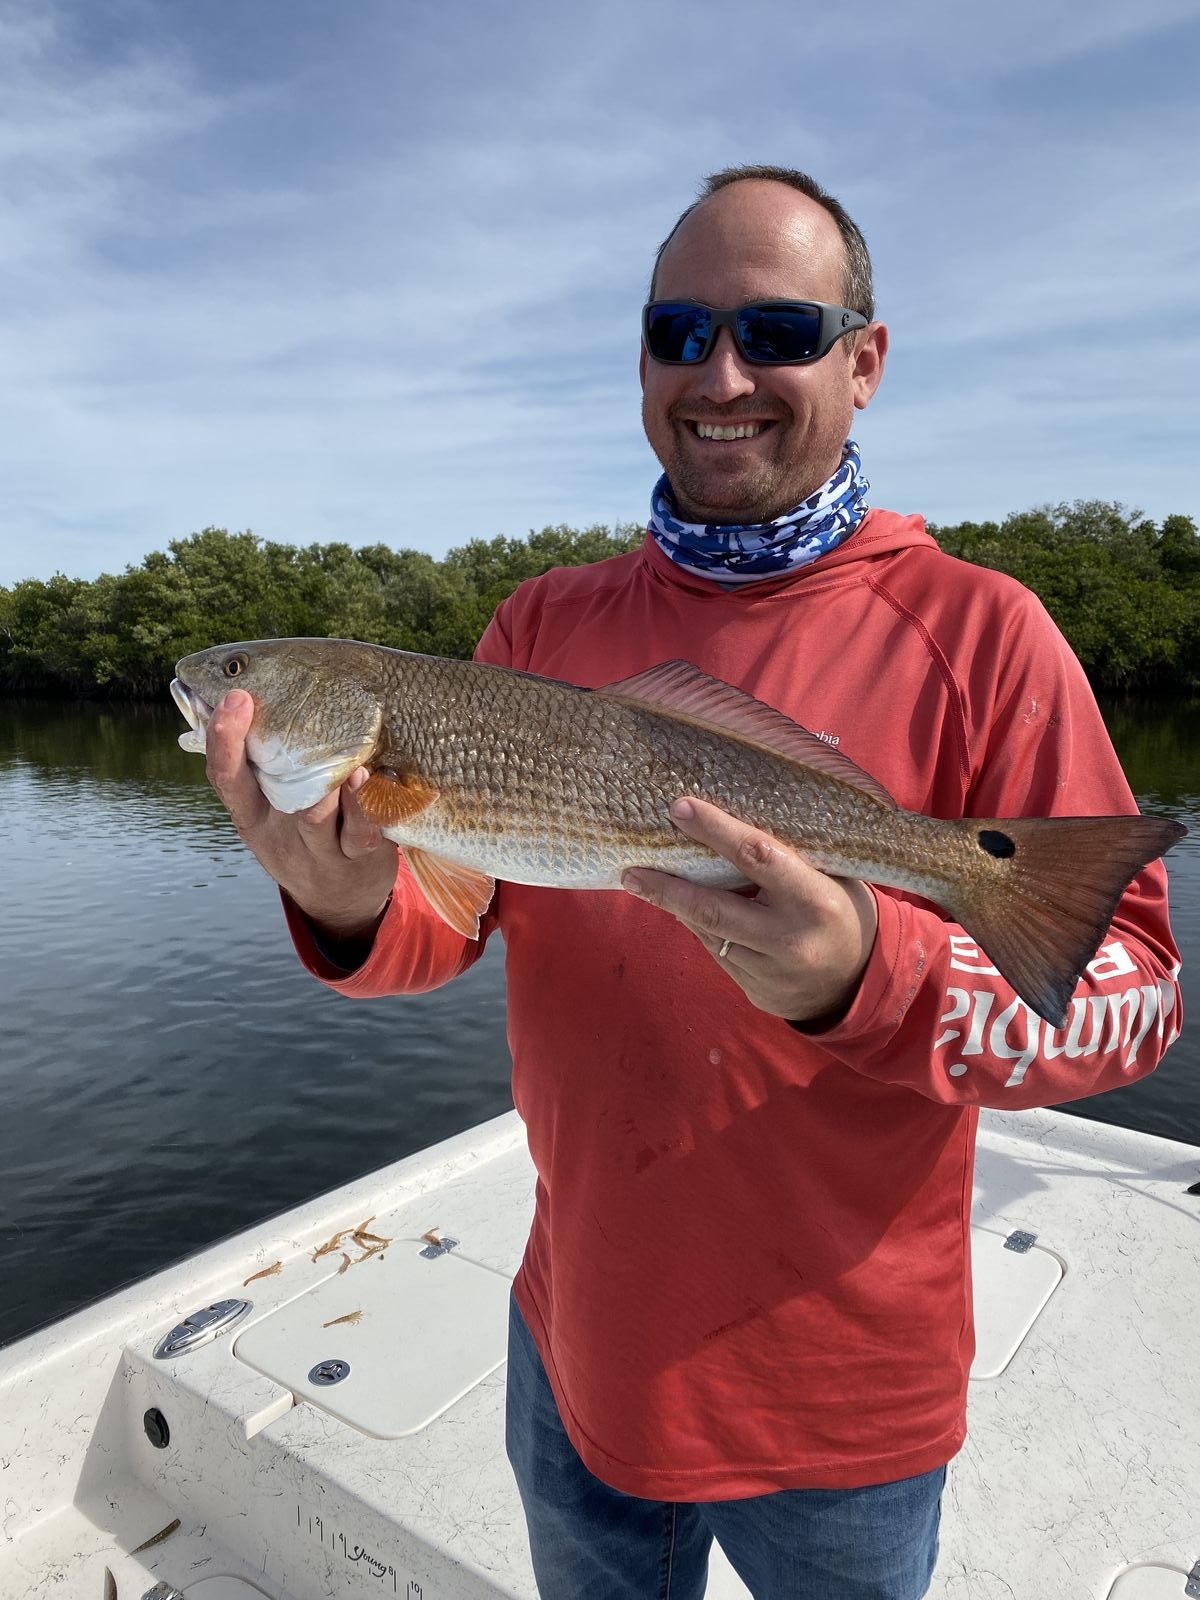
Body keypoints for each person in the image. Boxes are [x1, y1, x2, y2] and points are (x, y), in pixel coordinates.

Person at [205, 166, 1183, 1600]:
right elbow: (452, 918)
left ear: (867, 360)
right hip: (573, 1349)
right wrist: (348, 902)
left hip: (840, 1407)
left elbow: (1133, 1008)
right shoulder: (539, 621)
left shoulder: (990, 633)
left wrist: (870, 973)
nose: (720, 373)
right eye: (678, 330)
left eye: (778, 330)